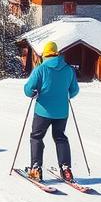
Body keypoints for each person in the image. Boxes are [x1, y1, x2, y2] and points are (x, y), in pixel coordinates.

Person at [23, 41, 79, 182]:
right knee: (60, 137)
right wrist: (63, 95)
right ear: (57, 53)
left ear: (45, 54)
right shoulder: (68, 69)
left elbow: (28, 89)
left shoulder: (41, 69)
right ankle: (66, 169)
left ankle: (36, 169)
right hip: (62, 112)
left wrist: (34, 93)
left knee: (36, 137)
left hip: (43, 111)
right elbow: (74, 90)